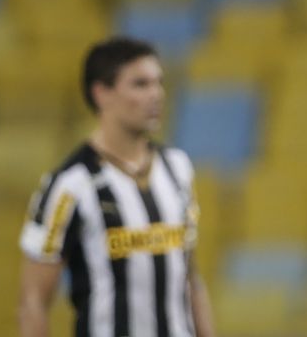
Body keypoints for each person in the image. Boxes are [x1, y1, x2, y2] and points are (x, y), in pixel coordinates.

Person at [19, 37, 216, 337]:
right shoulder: (71, 185)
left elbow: (190, 277)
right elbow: (33, 300)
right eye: (140, 84)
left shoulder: (177, 168)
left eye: (159, 83)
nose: (157, 94)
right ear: (102, 94)